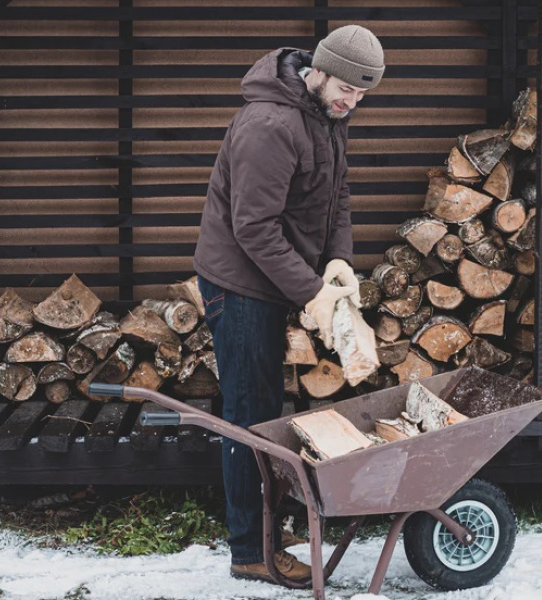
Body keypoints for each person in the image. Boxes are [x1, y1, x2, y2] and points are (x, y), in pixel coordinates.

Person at [193, 25, 385, 584]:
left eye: (363, 93)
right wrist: (312, 292)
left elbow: (338, 193)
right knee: (250, 418)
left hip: (277, 275)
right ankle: (250, 551)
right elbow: (252, 228)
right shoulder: (271, 124)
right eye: (347, 88)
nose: (353, 101)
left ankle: (270, 524)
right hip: (240, 284)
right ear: (319, 70)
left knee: (270, 409)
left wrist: (338, 259)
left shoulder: (327, 115)